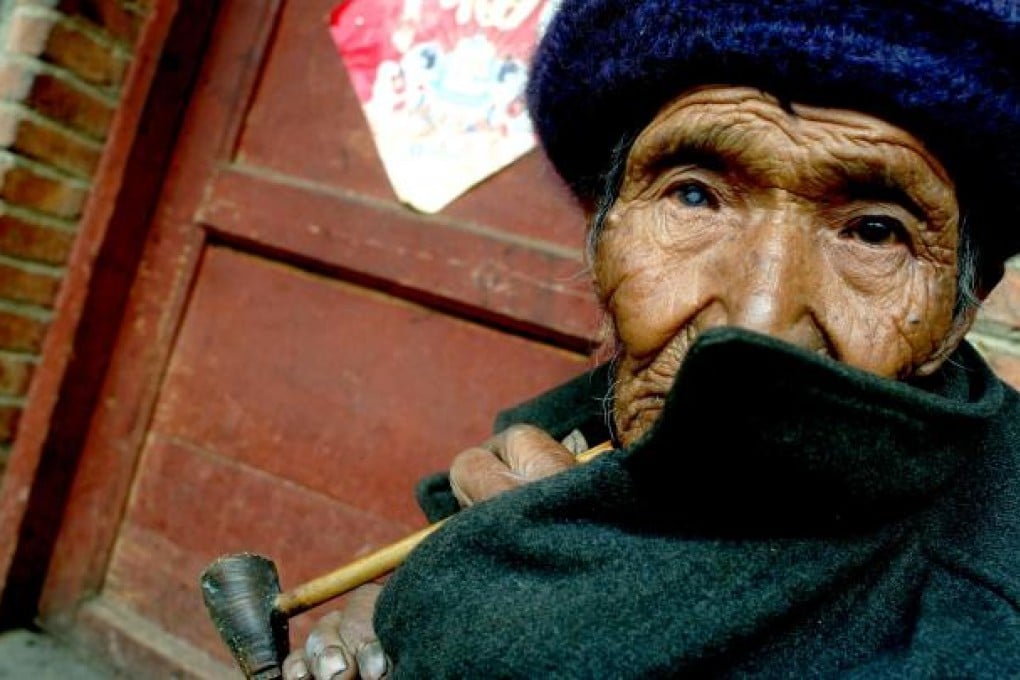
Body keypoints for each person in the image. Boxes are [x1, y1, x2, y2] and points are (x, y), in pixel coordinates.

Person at [282, 1, 1020, 677]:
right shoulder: (576, 429)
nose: (756, 321)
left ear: (959, 310)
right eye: (695, 195)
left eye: (872, 231)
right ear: (602, 237)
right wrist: (431, 594)